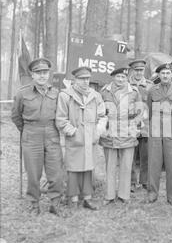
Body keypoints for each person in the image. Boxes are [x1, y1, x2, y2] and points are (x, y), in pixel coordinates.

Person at [11, 58, 64, 215]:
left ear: (49, 74)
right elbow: (15, 116)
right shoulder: (22, 93)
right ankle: (34, 203)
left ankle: (55, 203)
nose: (42, 76)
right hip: (31, 134)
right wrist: (27, 129)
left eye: (45, 72)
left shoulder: (56, 92)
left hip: (51, 133)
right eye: (38, 73)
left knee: (56, 172)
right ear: (32, 75)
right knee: (33, 173)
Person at [56, 66, 107, 211]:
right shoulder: (65, 95)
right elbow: (60, 120)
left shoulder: (95, 95)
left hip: (91, 139)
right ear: (75, 79)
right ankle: (72, 198)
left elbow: (102, 115)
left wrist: (98, 131)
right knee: (73, 168)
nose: (85, 82)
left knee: (88, 168)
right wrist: (73, 132)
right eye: (82, 79)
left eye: (87, 79)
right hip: (75, 139)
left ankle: (87, 198)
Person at [99, 67, 143, 204]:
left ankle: (124, 195)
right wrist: (102, 127)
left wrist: (134, 125)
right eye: (118, 77)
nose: (120, 79)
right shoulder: (104, 91)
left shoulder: (134, 92)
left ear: (127, 78)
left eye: (123, 77)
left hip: (127, 134)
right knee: (110, 166)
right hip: (110, 134)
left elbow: (140, 111)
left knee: (126, 166)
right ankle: (109, 195)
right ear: (113, 77)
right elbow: (99, 112)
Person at [146, 63, 172, 205]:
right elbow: (149, 110)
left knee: (171, 163)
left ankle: (171, 196)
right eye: (162, 73)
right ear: (159, 75)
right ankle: (152, 193)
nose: (165, 75)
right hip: (156, 127)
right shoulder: (152, 90)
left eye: (167, 73)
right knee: (154, 162)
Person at [128, 59, 153, 191]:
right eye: (136, 70)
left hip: (145, 125)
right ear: (132, 71)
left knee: (146, 154)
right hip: (131, 124)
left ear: (144, 71)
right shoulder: (127, 85)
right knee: (131, 154)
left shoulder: (150, 85)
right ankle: (132, 181)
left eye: (141, 70)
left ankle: (144, 180)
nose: (138, 73)